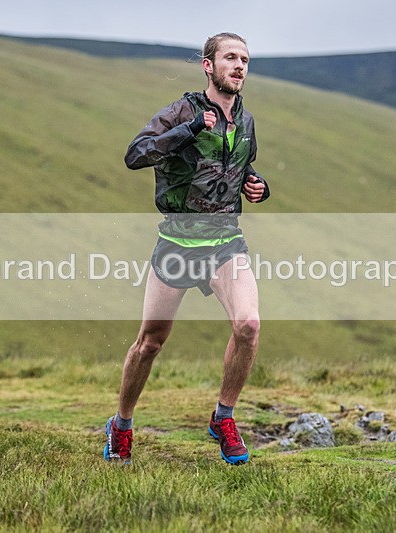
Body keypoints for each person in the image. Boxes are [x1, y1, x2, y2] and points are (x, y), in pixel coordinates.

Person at [103, 32, 271, 465]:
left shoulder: (246, 122)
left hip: (225, 242)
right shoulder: (183, 110)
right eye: (230, 58)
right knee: (150, 344)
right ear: (208, 65)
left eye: (245, 60)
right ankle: (121, 425)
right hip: (177, 244)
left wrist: (257, 185)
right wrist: (190, 128)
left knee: (249, 325)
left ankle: (224, 417)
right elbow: (135, 154)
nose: (239, 66)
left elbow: (237, 166)